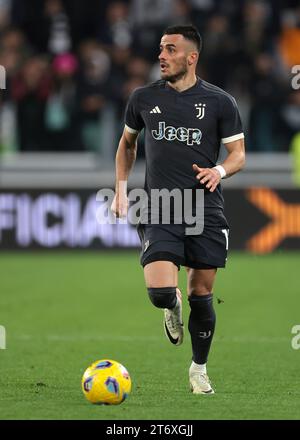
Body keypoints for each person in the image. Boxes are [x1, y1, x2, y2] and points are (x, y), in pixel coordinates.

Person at [111, 25, 245, 394]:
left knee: (202, 293)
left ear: (191, 57)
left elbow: (238, 155)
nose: (161, 56)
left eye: (170, 50)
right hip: (159, 206)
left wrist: (218, 171)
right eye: (160, 49)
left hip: (204, 209)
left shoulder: (220, 102)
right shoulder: (141, 98)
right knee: (158, 292)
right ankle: (171, 306)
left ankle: (199, 369)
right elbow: (126, 144)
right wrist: (121, 189)